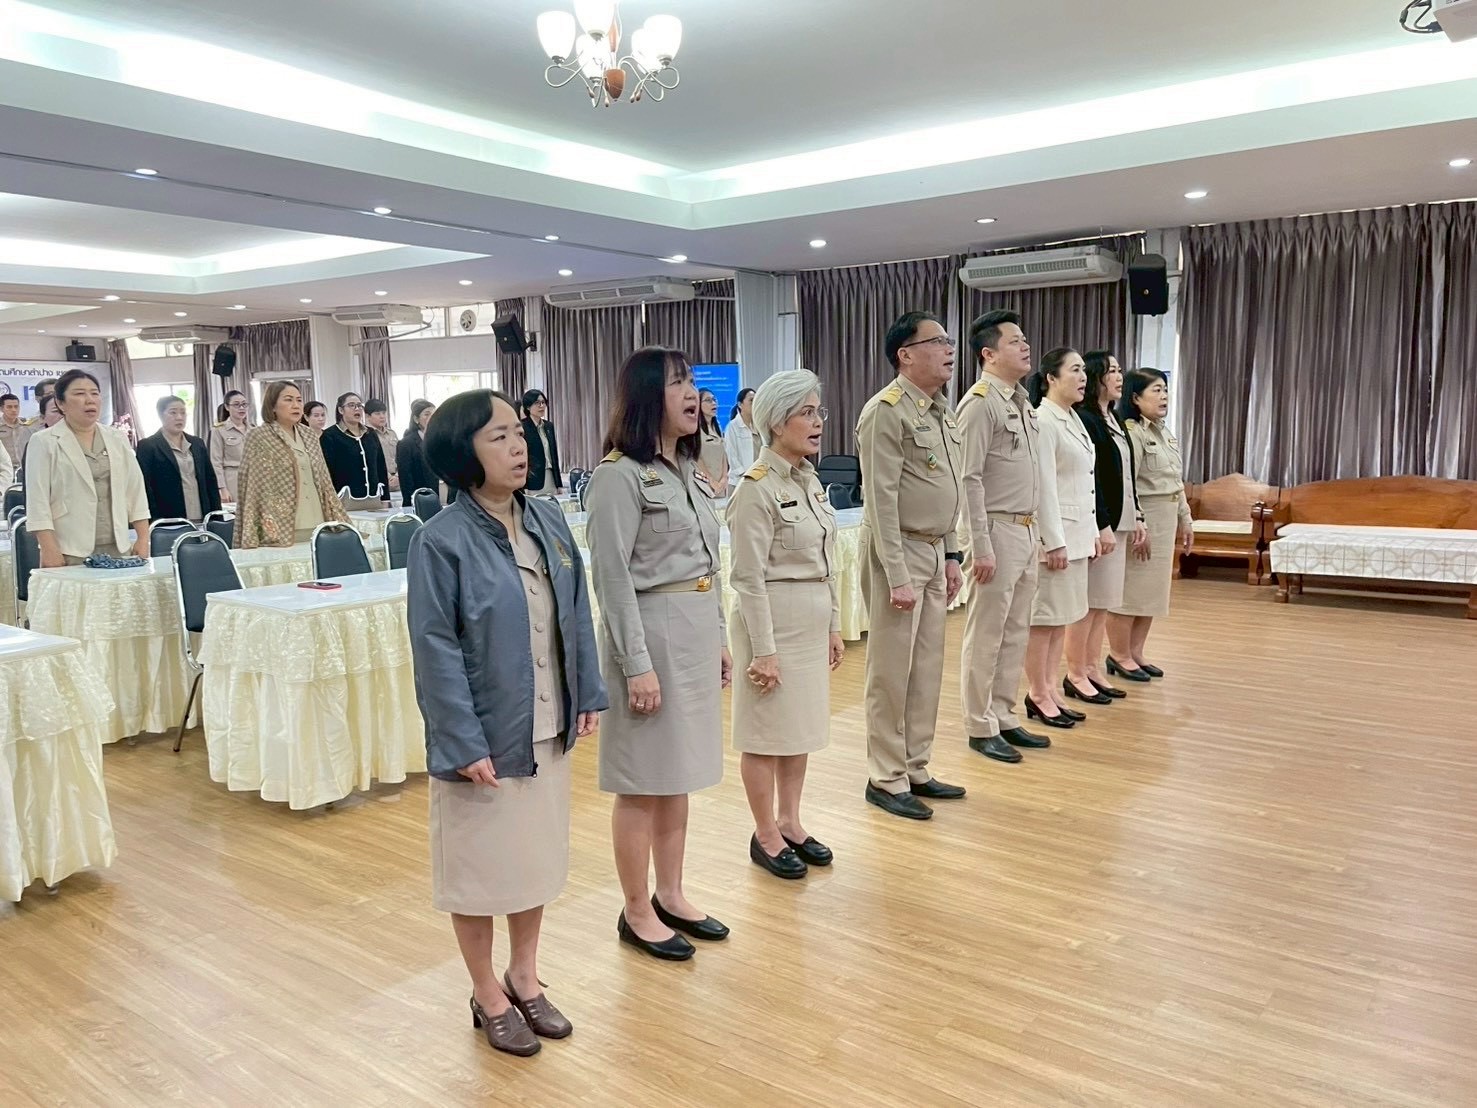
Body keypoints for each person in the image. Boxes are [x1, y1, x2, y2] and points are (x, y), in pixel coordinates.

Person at [407, 388, 606, 1058]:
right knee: (479, 872)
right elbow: (434, 648)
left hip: (544, 723)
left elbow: (575, 610)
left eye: (518, 432)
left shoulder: (547, 518)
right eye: (498, 436)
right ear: (462, 450)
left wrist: (587, 691)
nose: (518, 446)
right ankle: (486, 992)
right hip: (485, 736)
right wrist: (461, 741)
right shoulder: (440, 540)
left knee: (533, 862)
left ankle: (524, 975)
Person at [586, 345, 732, 961]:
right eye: (678, 383)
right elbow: (612, 578)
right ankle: (636, 908)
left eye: (693, 382)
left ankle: (671, 893)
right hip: (650, 636)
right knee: (642, 781)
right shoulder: (617, 476)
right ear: (648, 395)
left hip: (693, 631)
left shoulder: (688, 469)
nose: (692, 394)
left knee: (678, 776)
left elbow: (707, 565)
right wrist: (636, 665)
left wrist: (720, 637)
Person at [728, 370, 843, 880]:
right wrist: (763, 650)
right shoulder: (755, 489)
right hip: (772, 624)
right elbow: (747, 579)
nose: (818, 423)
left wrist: (834, 625)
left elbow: (826, 561)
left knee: (798, 731)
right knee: (764, 734)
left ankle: (790, 821)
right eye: (807, 413)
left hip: (810, 621)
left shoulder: (809, 480)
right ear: (777, 422)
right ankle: (765, 834)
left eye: (819, 412)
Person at [855, 310, 966, 821]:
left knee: (925, 670)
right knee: (891, 673)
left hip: (933, 551)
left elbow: (947, 489)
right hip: (896, 551)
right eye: (936, 341)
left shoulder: (940, 411)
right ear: (905, 355)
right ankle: (886, 776)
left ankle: (916, 767)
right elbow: (881, 500)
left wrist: (951, 554)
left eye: (948, 340)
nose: (948, 349)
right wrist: (897, 574)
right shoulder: (886, 411)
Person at [957, 309, 1050, 766]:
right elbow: (968, 478)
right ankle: (979, 724)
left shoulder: (1021, 401)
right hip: (995, 529)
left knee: (1015, 631)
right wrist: (980, 545)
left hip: (1025, 529)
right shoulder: (979, 403)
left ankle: (1003, 713)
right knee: (987, 633)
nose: (1025, 346)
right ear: (988, 354)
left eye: (1025, 338)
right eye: (1014, 341)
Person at [1066, 352, 1148, 703]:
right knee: (1088, 605)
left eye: (1119, 370)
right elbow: (1093, 478)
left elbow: (1127, 474)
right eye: (1112, 370)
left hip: (1121, 520)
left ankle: (1092, 667)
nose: (1119, 376)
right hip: (1101, 524)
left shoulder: (1113, 418)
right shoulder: (1086, 418)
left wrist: (1138, 515)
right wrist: (1101, 523)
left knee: (1102, 603)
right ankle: (1076, 672)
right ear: (1096, 376)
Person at [1023, 349, 1097, 730]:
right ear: (1051, 378)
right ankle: (1037, 692)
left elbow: (1085, 483)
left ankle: (1051, 688)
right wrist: (1052, 540)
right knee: (1044, 620)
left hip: (1077, 535)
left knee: (1060, 620)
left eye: (1084, 370)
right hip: (1057, 538)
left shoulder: (1073, 418)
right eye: (1074, 370)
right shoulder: (1043, 420)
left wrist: (1093, 531)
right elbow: (1044, 487)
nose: (1083, 377)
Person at [1108, 369, 1192, 680]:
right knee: (1131, 592)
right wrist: (1137, 521)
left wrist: (1186, 518)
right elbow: (1127, 483)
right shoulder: (1132, 432)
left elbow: (1176, 482)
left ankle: (1136, 652)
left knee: (1153, 593)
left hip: (1166, 519)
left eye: (1165, 390)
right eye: (1156, 390)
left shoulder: (1164, 433)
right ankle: (1118, 654)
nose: (1164, 396)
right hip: (1144, 519)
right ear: (1135, 397)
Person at [23, 369, 149, 566]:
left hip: (119, 547)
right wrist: (49, 548)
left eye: (94, 393)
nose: (90, 400)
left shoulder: (116, 437)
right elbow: (37, 501)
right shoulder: (44, 441)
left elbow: (135, 490)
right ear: (61, 403)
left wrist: (143, 538)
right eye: (79, 394)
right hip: (68, 549)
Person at [235, 382, 348, 548]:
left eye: (299, 400)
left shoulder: (309, 434)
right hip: (280, 525)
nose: (296, 405)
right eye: (288, 400)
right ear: (272, 405)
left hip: (317, 518)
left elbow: (324, 479)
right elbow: (253, 486)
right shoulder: (258, 436)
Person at [136, 395, 221, 523]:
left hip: (201, 515)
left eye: (183, 412)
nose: (179, 417)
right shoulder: (148, 446)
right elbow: (145, 487)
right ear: (160, 415)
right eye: (173, 413)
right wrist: (153, 520)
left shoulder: (197, 443)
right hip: (168, 518)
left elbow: (210, 481)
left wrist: (217, 518)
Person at [319, 391, 389, 505]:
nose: (357, 409)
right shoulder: (329, 436)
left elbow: (380, 466)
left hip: (374, 498)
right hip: (344, 501)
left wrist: (385, 498)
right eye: (351, 405)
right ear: (341, 410)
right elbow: (326, 473)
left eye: (359, 405)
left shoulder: (370, 433)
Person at [209, 389, 251, 504]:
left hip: (253, 479)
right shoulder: (219, 430)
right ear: (227, 407)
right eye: (236, 405)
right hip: (232, 480)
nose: (241, 408)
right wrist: (222, 489)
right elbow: (216, 462)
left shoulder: (253, 430)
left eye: (244, 404)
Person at [519, 389, 562, 496]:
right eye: (537, 403)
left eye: (543, 402)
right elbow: (523, 457)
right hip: (533, 480)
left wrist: (559, 484)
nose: (541, 406)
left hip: (550, 477)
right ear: (528, 407)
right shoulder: (522, 427)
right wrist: (524, 485)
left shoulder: (549, 426)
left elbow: (554, 455)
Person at [397, 399, 440, 507]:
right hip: (416, 501)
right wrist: (411, 504)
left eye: (434, 414)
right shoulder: (406, 443)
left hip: (435, 499)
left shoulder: (437, 441)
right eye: (427, 414)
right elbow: (405, 479)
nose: (431, 417)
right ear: (416, 419)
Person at [695, 389, 729, 496]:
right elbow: (696, 458)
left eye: (714, 400)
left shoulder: (717, 426)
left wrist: (724, 478)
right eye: (708, 400)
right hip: (704, 483)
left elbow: (723, 454)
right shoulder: (694, 428)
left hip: (721, 484)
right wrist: (711, 481)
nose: (713, 403)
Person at [365, 399, 400, 497]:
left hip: (398, 482)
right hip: (379, 482)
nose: (382, 416)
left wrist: (397, 476)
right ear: (367, 416)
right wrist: (387, 477)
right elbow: (370, 461)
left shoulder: (391, 433)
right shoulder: (366, 435)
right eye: (377, 413)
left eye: (384, 413)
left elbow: (400, 457)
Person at [723, 386, 760, 479]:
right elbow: (731, 455)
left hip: (757, 477)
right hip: (739, 480)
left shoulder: (757, 426)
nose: (754, 403)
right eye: (751, 400)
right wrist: (744, 474)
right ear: (740, 404)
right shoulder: (732, 427)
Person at [0, 393, 30, 468]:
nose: (14, 410)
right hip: (4, 468)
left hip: (24, 467)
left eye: (16, 407)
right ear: (2, 409)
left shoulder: (27, 426)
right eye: (9, 407)